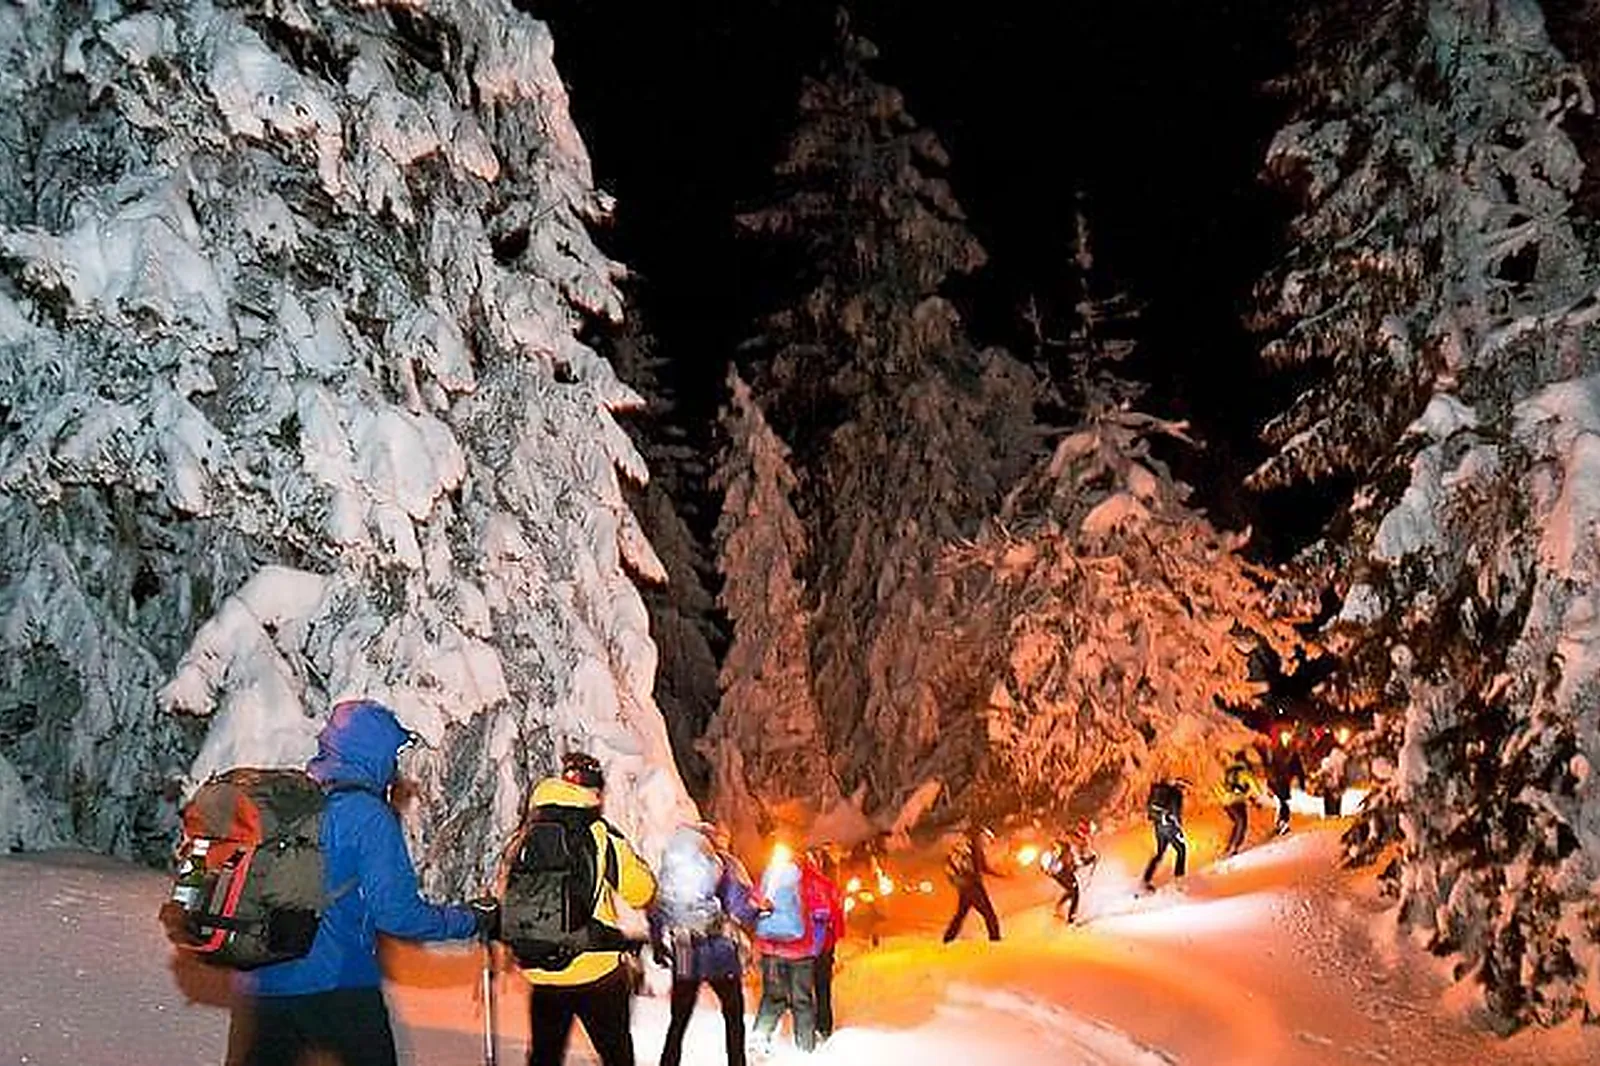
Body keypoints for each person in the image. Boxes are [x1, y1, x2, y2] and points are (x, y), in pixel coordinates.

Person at [225, 698, 487, 1066]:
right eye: (393, 754)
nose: (396, 765)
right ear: (375, 753)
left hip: (264, 981)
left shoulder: (291, 801)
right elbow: (397, 914)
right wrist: (470, 919)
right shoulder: (368, 816)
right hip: (339, 984)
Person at [511, 752, 657, 1066]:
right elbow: (641, 891)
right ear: (597, 792)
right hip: (597, 971)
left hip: (543, 972)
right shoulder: (601, 834)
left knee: (544, 1056)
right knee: (617, 1056)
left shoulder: (530, 831)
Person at [649, 823, 763, 1066]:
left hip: (685, 950)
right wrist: (758, 910)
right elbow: (739, 910)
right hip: (720, 953)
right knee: (733, 1017)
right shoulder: (724, 867)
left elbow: (658, 910)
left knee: (678, 1019)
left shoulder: (675, 871)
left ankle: (668, 1063)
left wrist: (658, 943)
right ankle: (736, 1063)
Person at [751, 844, 843, 1054]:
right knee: (802, 1000)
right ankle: (805, 1047)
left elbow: (754, 901)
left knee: (772, 996)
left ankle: (759, 1038)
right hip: (800, 952)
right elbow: (826, 908)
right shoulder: (810, 879)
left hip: (771, 949)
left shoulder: (768, 876)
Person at [804, 847, 846, 1041]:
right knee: (822, 986)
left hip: (806, 944)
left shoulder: (800, 882)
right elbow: (837, 917)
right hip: (824, 945)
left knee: (806, 987)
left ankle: (808, 1029)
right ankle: (824, 1028)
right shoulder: (829, 885)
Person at [941, 825, 1002, 943]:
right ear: (975, 836)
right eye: (982, 837)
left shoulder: (975, 849)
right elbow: (953, 868)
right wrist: (961, 881)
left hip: (971, 885)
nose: (984, 841)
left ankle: (948, 939)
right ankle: (995, 940)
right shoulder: (964, 849)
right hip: (970, 886)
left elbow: (983, 867)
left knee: (961, 915)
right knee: (989, 915)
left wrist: (1002, 874)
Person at [1041, 819, 1098, 923]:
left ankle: (1059, 908)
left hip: (1057, 869)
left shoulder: (1072, 837)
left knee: (1071, 890)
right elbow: (1078, 861)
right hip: (1060, 869)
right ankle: (1071, 919)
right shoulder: (1077, 842)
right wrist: (1091, 859)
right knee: (1075, 891)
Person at [1141, 778, 1188, 891]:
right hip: (1169, 827)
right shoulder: (1176, 794)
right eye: (1184, 788)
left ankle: (1146, 879)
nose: (1185, 791)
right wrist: (1179, 831)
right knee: (1181, 849)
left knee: (1160, 853)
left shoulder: (1161, 792)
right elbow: (1175, 814)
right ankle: (1179, 881)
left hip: (1158, 826)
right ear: (1180, 786)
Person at [1217, 750, 1259, 857]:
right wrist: (1256, 796)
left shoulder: (1229, 771)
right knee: (1242, 823)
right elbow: (1255, 787)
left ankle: (1229, 845)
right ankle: (1235, 847)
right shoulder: (1244, 772)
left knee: (1237, 823)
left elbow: (1222, 785)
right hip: (1237, 802)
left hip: (1226, 802)